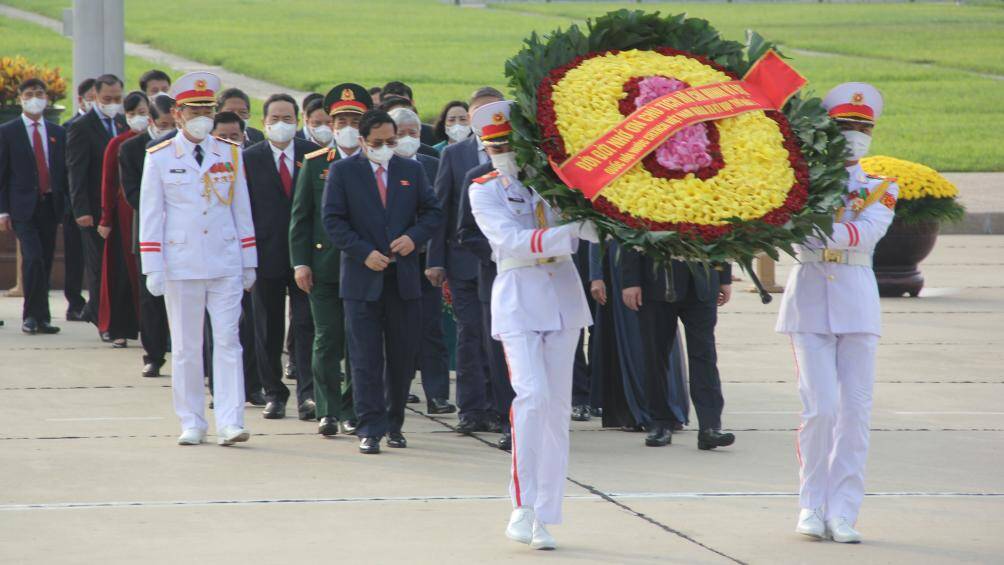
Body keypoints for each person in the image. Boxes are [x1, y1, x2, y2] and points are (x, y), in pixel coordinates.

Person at [466, 100, 598, 550]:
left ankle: (544, 511)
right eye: (494, 144)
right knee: (532, 397)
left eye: (508, 142)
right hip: (520, 297)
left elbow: (594, 229)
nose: (502, 151)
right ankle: (521, 505)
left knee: (557, 410)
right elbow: (510, 241)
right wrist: (573, 229)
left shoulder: (557, 183)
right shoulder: (483, 188)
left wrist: (602, 214)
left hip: (562, 294)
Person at [778, 82, 898, 544]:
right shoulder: (800, 181)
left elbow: (866, 235)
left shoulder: (881, 186)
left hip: (856, 303)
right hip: (809, 302)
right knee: (821, 409)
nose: (854, 134)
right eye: (846, 126)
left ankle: (843, 510)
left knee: (855, 414)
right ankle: (811, 505)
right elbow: (796, 238)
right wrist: (830, 231)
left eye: (862, 127)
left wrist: (822, 231)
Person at [139, 71, 256, 446]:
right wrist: (153, 265)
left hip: (224, 261)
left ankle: (230, 421)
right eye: (194, 109)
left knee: (227, 340)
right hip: (182, 262)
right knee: (188, 346)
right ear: (177, 113)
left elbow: (242, 210)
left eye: (208, 108)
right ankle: (191, 419)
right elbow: (151, 214)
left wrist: (248, 259)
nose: (202, 116)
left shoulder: (231, 152)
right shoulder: (158, 157)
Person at [323, 109, 443, 454]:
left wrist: (413, 239)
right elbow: (333, 220)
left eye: (391, 142)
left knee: (402, 356)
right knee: (365, 358)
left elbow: (432, 211)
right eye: (378, 143)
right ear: (362, 141)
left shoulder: (411, 169)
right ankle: (370, 426)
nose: (386, 148)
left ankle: (395, 423)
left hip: (403, 278)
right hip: (363, 279)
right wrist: (363, 252)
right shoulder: (344, 172)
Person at [289, 83, 370, 437]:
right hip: (323, 267)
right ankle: (327, 409)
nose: (348, 126)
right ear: (332, 124)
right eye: (341, 120)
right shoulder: (316, 163)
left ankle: (353, 408)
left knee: (359, 340)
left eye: (355, 119)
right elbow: (301, 217)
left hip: (364, 266)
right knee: (327, 338)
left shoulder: (373, 162)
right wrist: (300, 263)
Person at [428, 86, 505, 435]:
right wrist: (435, 260)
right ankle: (471, 409)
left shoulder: (513, 153)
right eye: (479, 113)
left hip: (503, 262)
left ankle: (499, 406)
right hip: (463, 262)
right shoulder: (456, 155)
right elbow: (442, 209)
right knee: (470, 334)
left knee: (499, 337)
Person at [244, 93, 318, 420]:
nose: (281, 124)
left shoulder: (313, 155)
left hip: (305, 257)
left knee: (306, 326)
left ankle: (308, 394)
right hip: (265, 255)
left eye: (288, 118)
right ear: (264, 122)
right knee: (268, 328)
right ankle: (274, 392)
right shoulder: (248, 159)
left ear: (298, 120)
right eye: (275, 118)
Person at [621, 251, 736, 450]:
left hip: (703, 282)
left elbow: (722, 227)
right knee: (655, 355)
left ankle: (710, 426)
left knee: (705, 355)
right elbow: (628, 233)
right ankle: (660, 422)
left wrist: (724, 275)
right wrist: (630, 280)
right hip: (657, 283)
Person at [388, 106, 455, 415]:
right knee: (395, 330)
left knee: (431, 329)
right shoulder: (379, 167)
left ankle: (438, 394)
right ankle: (394, 393)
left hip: (425, 260)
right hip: (390, 261)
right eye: (399, 134)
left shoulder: (432, 164)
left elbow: (440, 214)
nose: (407, 139)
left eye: (412, 133)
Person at [588, 242, 689, 430]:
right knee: (633, 340)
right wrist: (596, 275)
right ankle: (638, 412)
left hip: (654, 257)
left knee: (657, 340)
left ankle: (662, 410)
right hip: (622, 264)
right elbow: (596, 231)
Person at [0, 78, 68, 335]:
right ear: (20, 99)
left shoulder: (57, 132)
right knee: (33, 258)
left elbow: (62, 170)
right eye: (29, 94)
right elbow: (2, 174)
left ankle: (43, 317)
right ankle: (30, 315)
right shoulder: (8, 131)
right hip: (22, 207)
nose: (35, 98)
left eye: (40, 93)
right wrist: (3, 211)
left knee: (46, 260)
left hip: (49, 205)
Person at [66, 74, 127, 338]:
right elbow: (75, 171)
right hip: (92, 209)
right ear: (95, 97)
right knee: (97, 267)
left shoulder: (124, 123)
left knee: (118, 266)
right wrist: (81, 210)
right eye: (107, 99)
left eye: (117, 99)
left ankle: (117, 316)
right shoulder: (82, 127)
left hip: (120, 208)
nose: (112, 103)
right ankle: (103, 320)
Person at [120, 93, 175, 377]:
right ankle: (153, 355)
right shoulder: (132, 150)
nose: (170, 129)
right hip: (150, 231)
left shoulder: (184, 145)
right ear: (151, 121)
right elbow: (132, 195)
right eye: (163, 124)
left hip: (183, 234)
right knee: (150, 297)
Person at [96, 91, 148, 348]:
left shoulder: (162, 142)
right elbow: (108, 183)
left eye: (144, 113)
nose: (140, 119)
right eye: (134, 114)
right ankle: (118, 328)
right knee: (121, 274)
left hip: (149, 216)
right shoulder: (118, 144)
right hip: (123, 217)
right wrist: (105, 218)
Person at [62, 78, 96, 321]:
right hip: (74, 204)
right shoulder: (71, 126)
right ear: (81, 99)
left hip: (98, 204)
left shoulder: (114, 124)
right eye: (92, 97)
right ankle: (75, 302)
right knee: (75, 257)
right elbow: (67, 170)